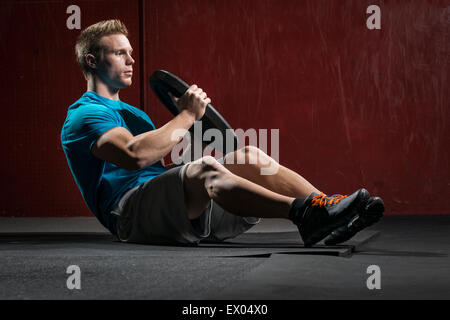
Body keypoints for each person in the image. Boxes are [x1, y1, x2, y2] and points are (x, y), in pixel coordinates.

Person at [61, 20, 384, 247]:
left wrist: (198, 132)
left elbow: (162, 159)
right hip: (129, 215)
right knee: (205, 169)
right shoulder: (85, 114)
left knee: (249, 155)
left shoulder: (135, 114)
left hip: (167, 207)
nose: (131, 60)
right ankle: (303, 214)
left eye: (131, 52)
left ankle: (325, 208)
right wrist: (188, 115)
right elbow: (135, 155)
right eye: (119, 53)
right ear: (92, 60)